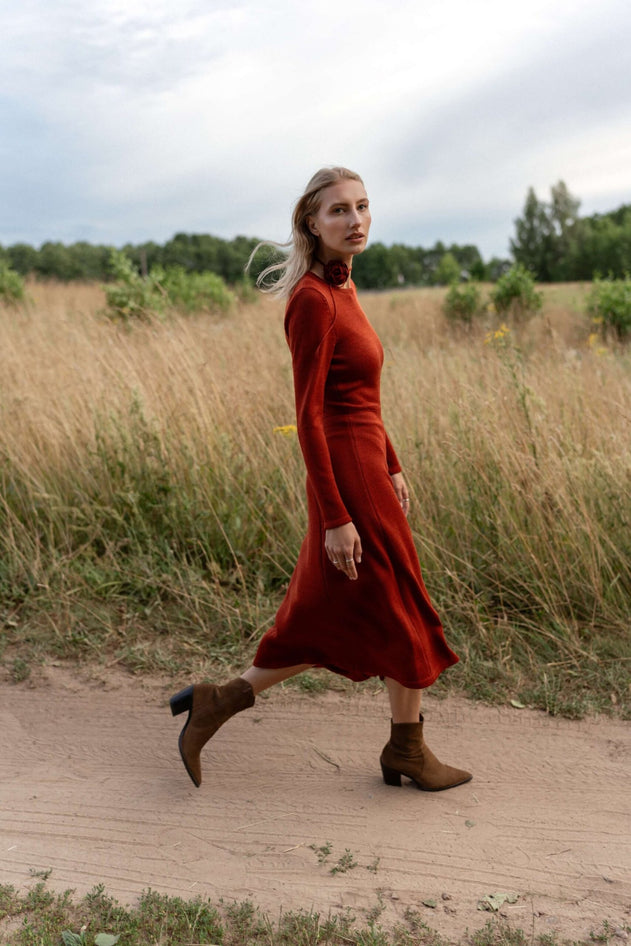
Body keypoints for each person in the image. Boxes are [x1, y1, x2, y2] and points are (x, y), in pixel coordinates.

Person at [170, 167, 471, 793]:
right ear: (312, 221)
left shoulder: (346, 288)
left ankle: (219, 702)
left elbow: (360, 396)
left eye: (362, 207)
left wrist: (393, 460)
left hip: (366, 462)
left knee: (337, 611)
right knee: (403, 606)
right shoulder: (312, 299)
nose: (355, 220)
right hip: (345, 472)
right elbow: (309, 414)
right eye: (339, 211)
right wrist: (336, 515)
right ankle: (407, 753)